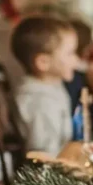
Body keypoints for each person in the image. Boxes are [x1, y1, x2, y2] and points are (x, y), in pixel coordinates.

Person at [11, 15, 80, 156]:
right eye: (70, 53)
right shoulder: (41, 102)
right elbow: (44, 158)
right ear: (43, 62)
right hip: (48, 174)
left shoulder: (51, 85)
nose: (76, 60)